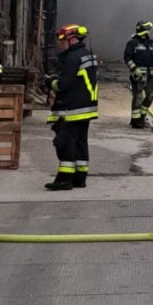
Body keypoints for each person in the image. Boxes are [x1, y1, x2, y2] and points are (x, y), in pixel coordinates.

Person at [45, 24, 98, 191]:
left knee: (65, 142)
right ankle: (79, 178)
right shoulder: (87, 55)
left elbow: (63, 85)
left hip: (72, 108)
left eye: (63, 41)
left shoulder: (72, 58)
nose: (61, 44)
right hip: (86, 108)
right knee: (80, 142)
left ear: (72, 39)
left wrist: (50, 82)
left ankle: (64, 180)